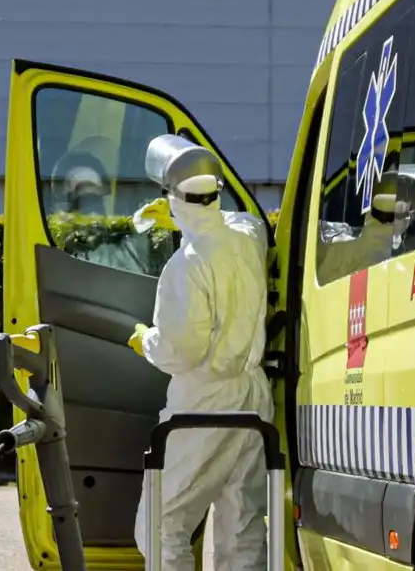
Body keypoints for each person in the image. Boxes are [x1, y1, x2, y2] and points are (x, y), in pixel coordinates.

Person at [128, 134, 274, 570]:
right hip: (252, 397)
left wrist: (145, 340)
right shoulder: (246, 237)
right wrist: (189, 219)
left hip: (204, 404)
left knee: (159, 523)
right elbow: (244, 222)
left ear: (172, 199)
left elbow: (180, 351)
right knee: (243, 524)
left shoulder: (186, 266)